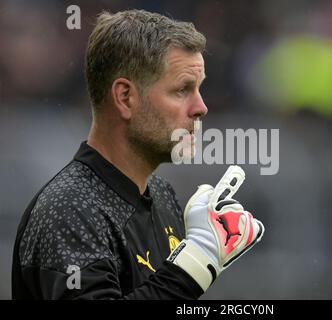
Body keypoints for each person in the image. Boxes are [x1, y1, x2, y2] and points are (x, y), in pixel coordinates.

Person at [11, 9, 264, 300]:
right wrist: (195, 263)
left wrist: (200, 259)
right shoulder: (70, 210)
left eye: (199, 88)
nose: (201, 107)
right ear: (125, 98)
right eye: (182, 89)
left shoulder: (162, 195)